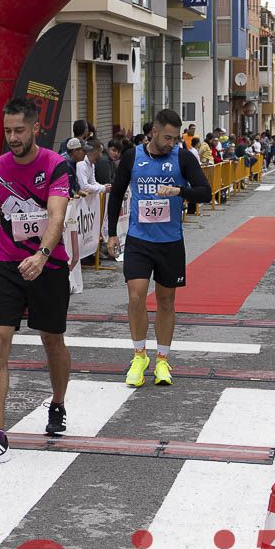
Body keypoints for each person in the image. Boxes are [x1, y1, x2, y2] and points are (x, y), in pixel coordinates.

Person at [0, 98, 72, 469]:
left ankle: (57, 402)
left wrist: (41, 255)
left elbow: (56, 216)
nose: (13, 137)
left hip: (48, 265)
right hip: (8, 266)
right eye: (8, 131)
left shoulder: (55, 165)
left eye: (19, 130)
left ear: (35, 128)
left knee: (52, 340)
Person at [105, 109, 214, 388]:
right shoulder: (132, 157)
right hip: (139, 239)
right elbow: (116, 194)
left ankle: (162, 359)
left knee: (166, 301)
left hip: (170, 242)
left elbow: (205, 191)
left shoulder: (183, 158)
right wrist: (112, 233)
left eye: (175, 138)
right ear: (153, 131)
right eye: (167, 137)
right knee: (136, 296)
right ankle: (139, 356)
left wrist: (180, 191)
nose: (171, 143)